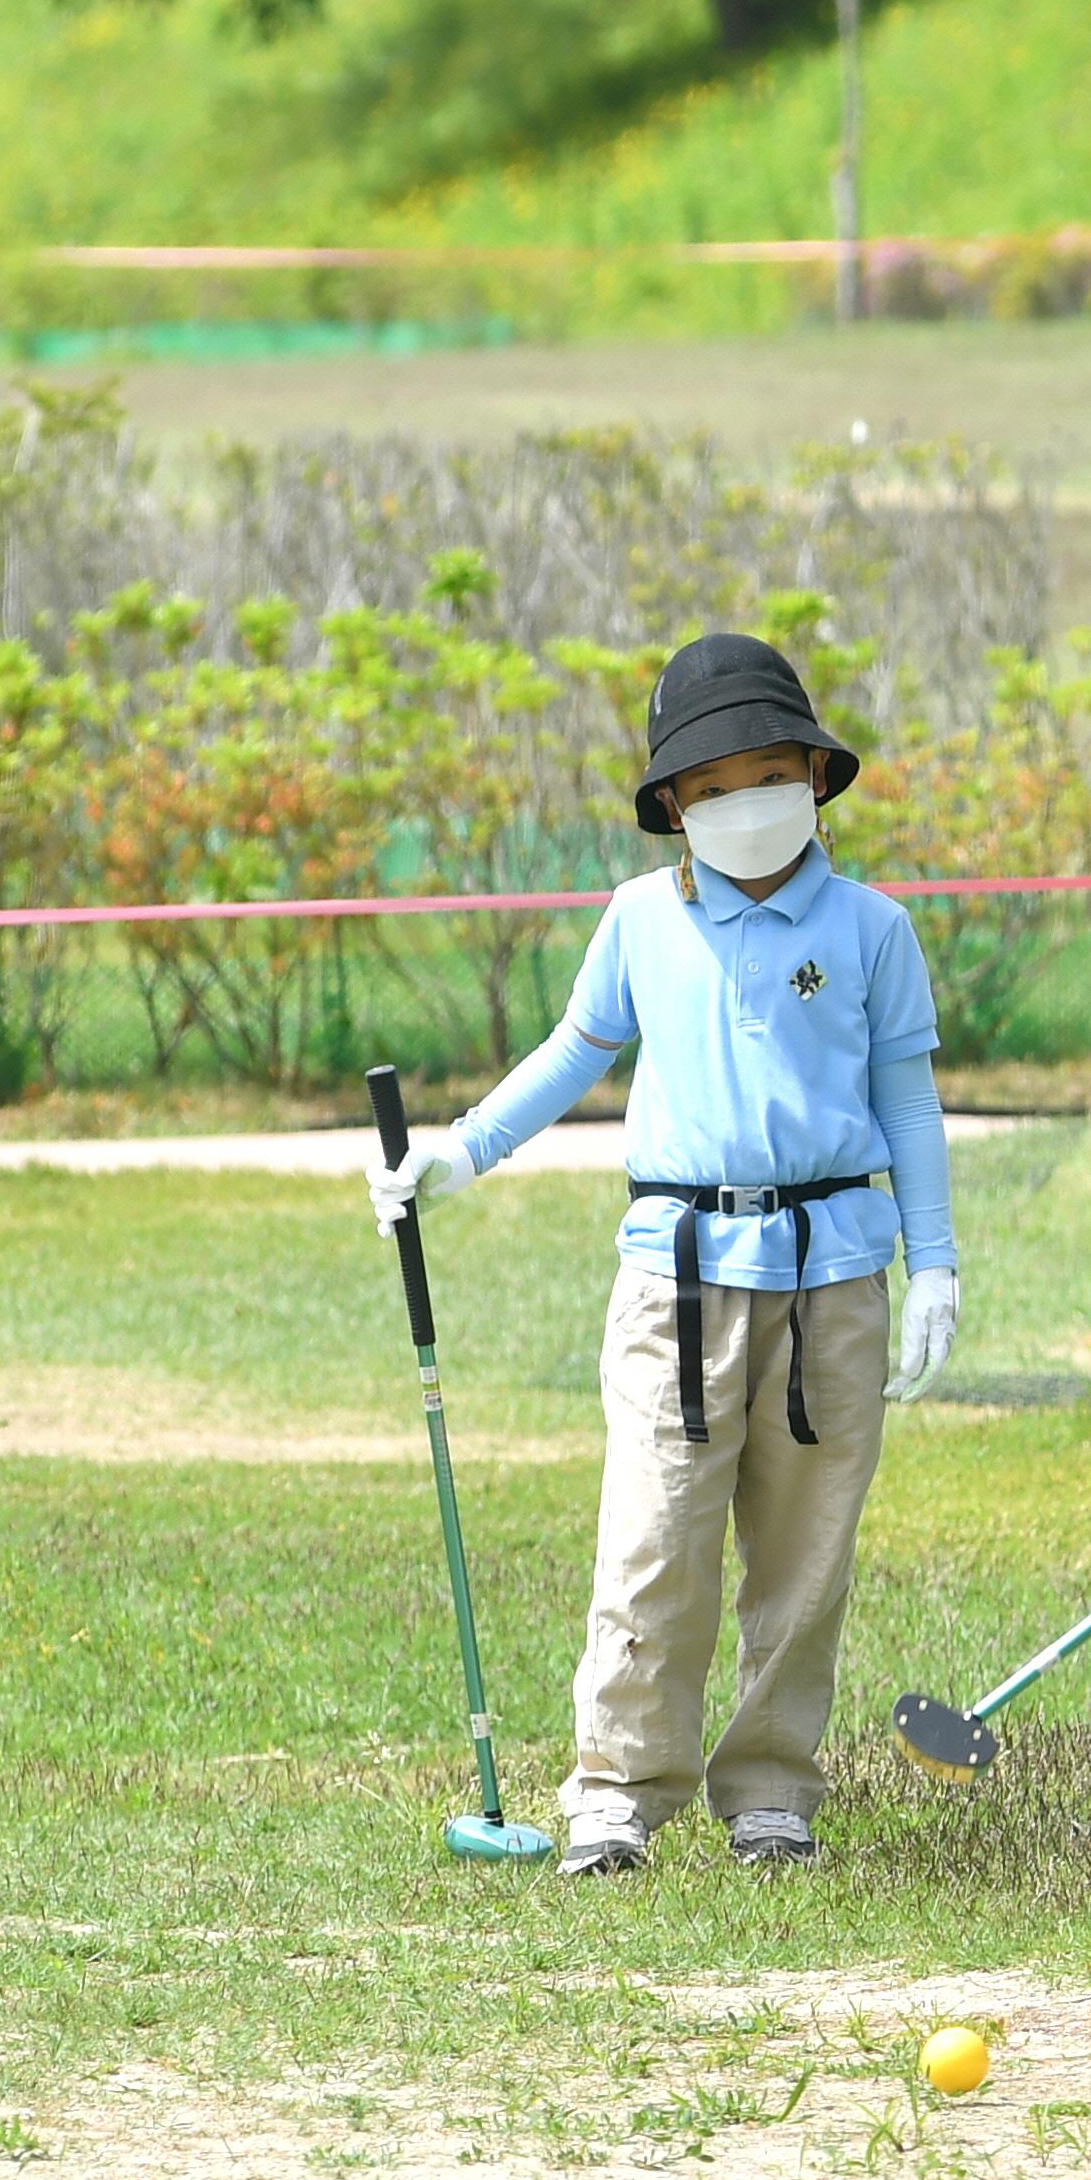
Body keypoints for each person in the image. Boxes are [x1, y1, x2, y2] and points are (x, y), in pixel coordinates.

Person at [367, 632, 961, 1873]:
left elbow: (907, 1101)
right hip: (676, 1280)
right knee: (655, 1537)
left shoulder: (869, 928)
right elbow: (575, 1050)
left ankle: (770, 1791)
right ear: (674, 804)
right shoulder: (640, 919)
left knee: (804, 1558)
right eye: (713, 784)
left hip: (831, 1276)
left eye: (767, 773)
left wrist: (936, 1263)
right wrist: (458, 1152)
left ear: (812, 771)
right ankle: (618, 1794)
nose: (746, 802)